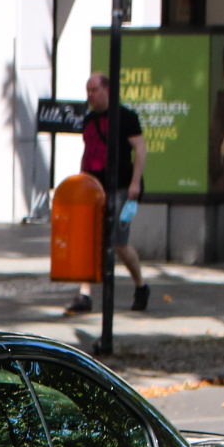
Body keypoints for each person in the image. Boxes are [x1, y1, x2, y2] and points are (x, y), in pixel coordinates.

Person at [66, 73, 147, 317]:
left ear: (107, 91)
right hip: (94, 187)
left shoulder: (125, 117)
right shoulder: (89, 119)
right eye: (87, 91)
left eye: (94, 90)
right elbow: (89, 151)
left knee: (119, 243)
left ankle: (141, 286)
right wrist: (81, 182)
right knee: (90, 240)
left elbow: (141, 149)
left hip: (120, 186)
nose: (89, 95)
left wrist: (135, 183)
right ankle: (85, 294)